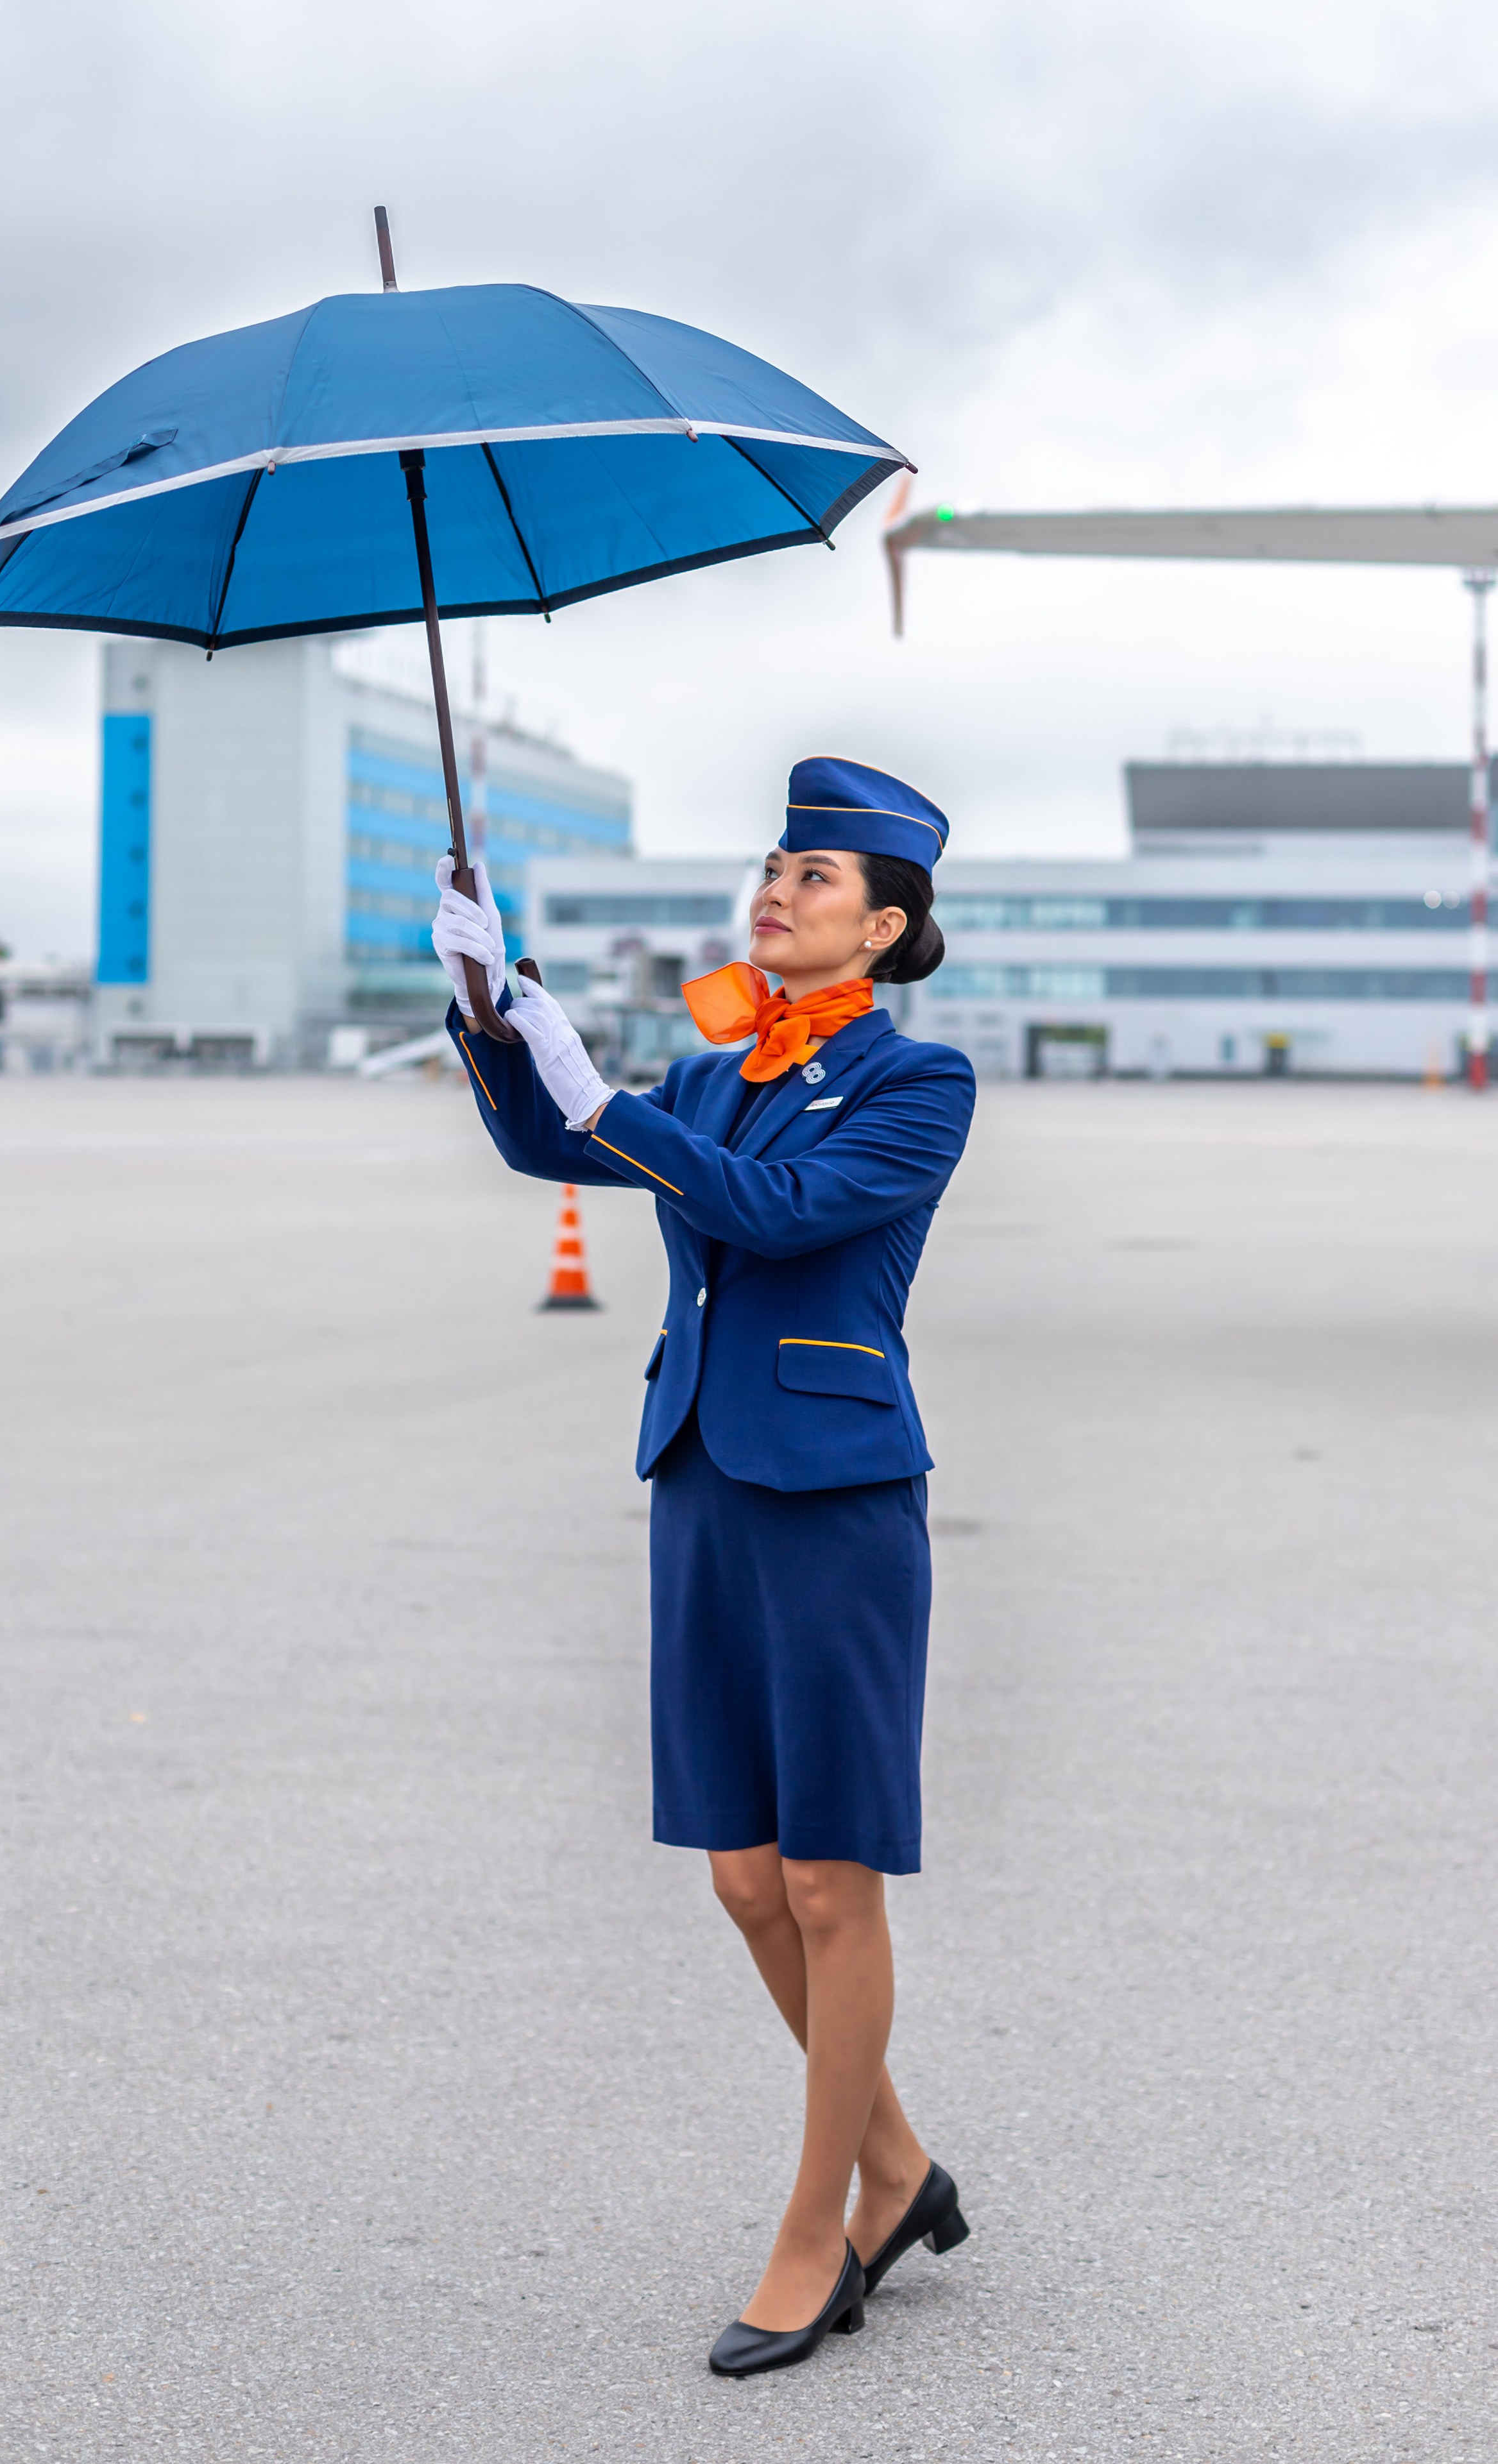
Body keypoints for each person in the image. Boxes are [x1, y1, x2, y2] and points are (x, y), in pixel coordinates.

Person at [431, 756, 977, 2379]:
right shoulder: (716, 1065)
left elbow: (778, 1213)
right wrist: (489, 1005)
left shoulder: (915, 1084)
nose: (776, 887)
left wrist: (610, 1100)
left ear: (879, 929)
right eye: (772, 863)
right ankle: (897, 2166)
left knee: (827, 1877)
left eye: (814, 878)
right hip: (700, 1475)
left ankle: (822, 2229)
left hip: (832, 1493)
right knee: (743, 1876)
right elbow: (559, 1148)